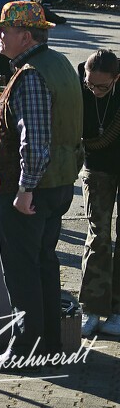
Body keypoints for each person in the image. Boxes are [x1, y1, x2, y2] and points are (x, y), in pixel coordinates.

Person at [0, 2, 82, 364]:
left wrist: (25, 190)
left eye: (5, 30)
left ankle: (24, 350)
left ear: (26, 36)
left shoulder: (32, 74)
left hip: (32, 189)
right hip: (56, 183)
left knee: (23, 270)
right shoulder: (59, 63)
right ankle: (49, 343)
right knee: (42, 264)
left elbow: (35, 140)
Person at [78, 49, 120, 339]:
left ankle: (117, 311)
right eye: (90, 84)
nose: (95, 91)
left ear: (117, 79)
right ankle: (91, 308)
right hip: (96, 166)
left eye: (103, 87)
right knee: (98, 236)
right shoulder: (80, 83)